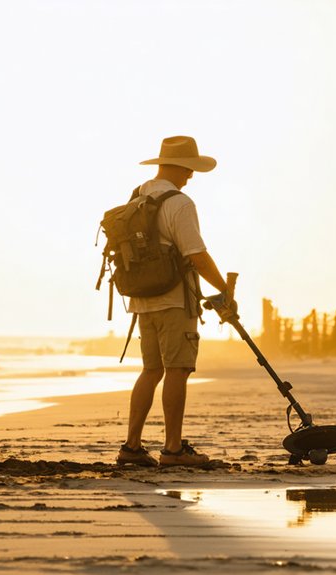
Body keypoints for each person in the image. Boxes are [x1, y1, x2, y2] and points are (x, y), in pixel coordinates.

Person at [116, 135, 234, 468]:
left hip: (142, 299)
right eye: (190, 169)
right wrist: (224, 289)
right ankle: (173, 449)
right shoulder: (180, 203)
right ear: (180, 167)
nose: (191, 176)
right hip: (174, 300)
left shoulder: (138, 197)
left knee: (151, 370)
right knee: (177, 370)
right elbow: (197, 255)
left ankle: (131, 447)